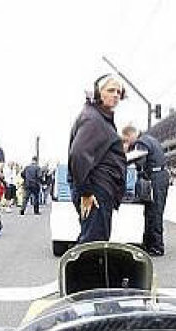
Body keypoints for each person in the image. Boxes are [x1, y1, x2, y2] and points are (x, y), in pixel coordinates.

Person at [68, 75, 127, 245]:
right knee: (93, 244)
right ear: (97, 93)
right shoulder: (93, 119)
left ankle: (89, 272)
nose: (115, 94)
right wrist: (86, 192)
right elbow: (79, 154)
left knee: (93, 241)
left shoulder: (100, 118)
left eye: (118, 91)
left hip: (99, 189)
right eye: (110, 90)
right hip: (95, 191)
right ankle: (88, 272)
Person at [121, 125, 170, 257]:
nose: (126, 142)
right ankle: (149, 243)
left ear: (131, 135)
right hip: (158, 176)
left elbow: (139, 160)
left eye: (126, 140)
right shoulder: (147, 139)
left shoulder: (141, 143)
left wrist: (121, 158)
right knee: (150, 211)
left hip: (156, 178)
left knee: (154, 212)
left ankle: (156, 246)